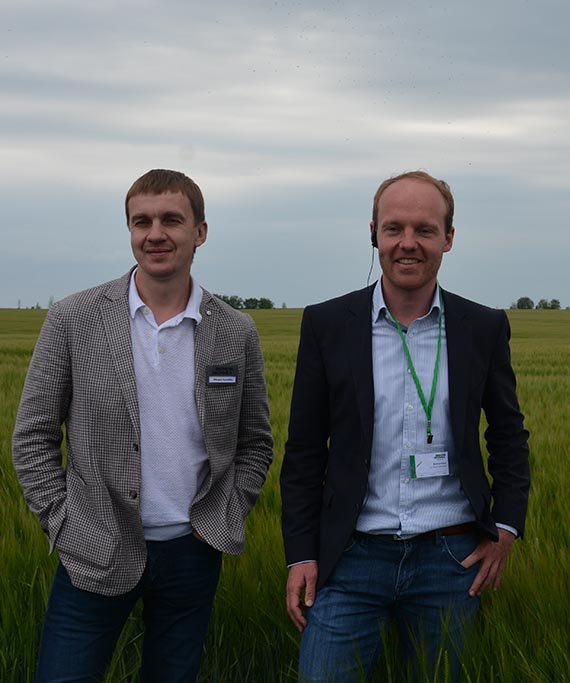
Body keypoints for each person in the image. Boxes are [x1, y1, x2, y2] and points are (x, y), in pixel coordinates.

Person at [12, 169, 275, 682]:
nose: (155, 234)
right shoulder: (73, 318)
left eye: (171, 220)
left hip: (192, 553)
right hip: (93, 548)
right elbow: (33, 437)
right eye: (142, 222)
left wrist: (224, 514)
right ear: (130, 230)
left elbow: (255, 442)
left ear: (200, 231)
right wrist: (64, 523)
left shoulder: (234, 330)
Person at [281, 170, 530, 682]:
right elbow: (304, 449)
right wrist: (300, 555)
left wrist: (505, 528)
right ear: (373, 233)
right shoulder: (327, 324)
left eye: (425, 229)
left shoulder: (482, 327)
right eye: (394, 228)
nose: (408, 243)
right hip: (351, 557)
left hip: (451, 559)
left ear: (449, 238)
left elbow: (508, 436)